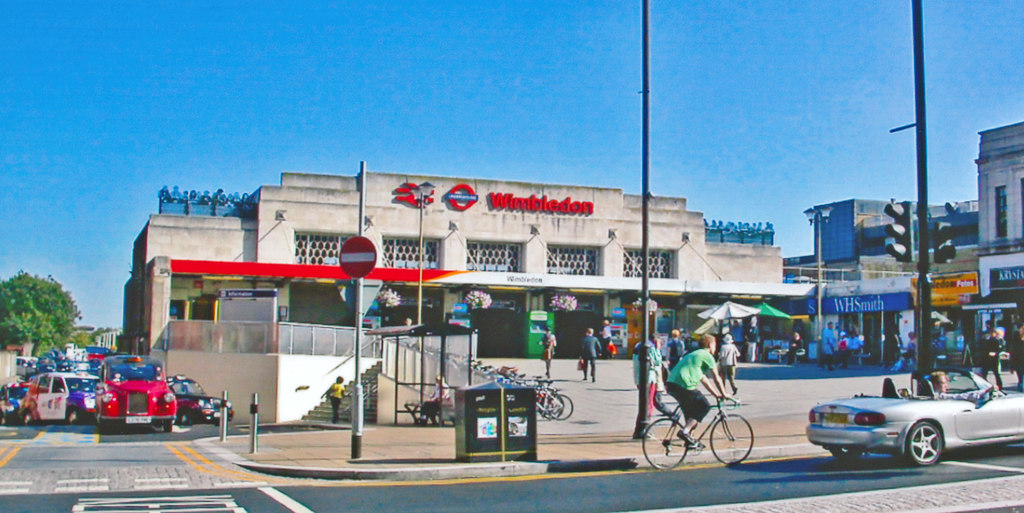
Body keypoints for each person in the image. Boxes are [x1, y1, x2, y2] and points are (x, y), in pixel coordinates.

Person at [664, 334, 732, 448]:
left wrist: (717, 395)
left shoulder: (694, 354)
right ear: (710, 345)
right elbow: (716, 377)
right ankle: (685, 432)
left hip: (671, 384)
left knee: (691, 414)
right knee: (704, 406)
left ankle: (690, 441)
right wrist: (724, 393)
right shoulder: (707, 355)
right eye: (715, 345)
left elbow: (704, 379)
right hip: (684, 384)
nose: (716, 348)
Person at [632, 336, 673, 438]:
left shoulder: (639, 346)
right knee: (648, 405)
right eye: (660, 342)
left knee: (645, 404)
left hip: (640, 378)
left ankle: (639, 429)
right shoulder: (650, 348)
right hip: (649, 379)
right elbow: (657, 363)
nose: (661, 345)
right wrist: (658, 350)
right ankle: (643, 429)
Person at [1010, 325, 1024, 392]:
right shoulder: (1016, 338)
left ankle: (1021, 385)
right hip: (1018, 359)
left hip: (1018, 359)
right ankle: (1021, 385)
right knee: (1020, 374)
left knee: (1020, 374)